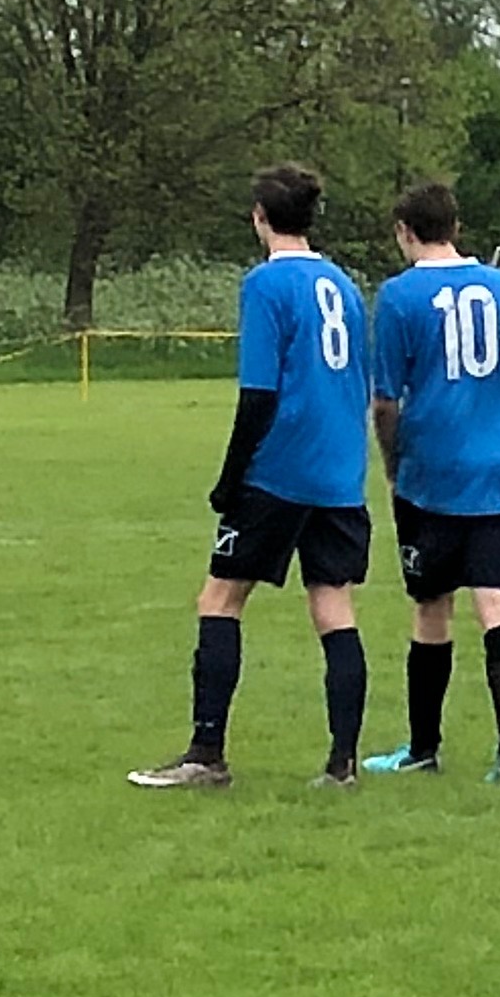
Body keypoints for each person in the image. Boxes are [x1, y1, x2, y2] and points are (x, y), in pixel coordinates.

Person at [129, 163, 377, 791]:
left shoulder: (266, 285)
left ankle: (206, 754)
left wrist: (230, 477)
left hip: (280, 469)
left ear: (260, 219)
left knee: (220, 599)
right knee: (333, 606)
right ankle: (342, 764)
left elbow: (259, 395)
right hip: (339, 473)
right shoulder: (344, 285)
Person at [362, 181, 500, 781]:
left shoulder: (399, 296)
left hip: (432, 472)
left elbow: (385, 402)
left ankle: (423, 749)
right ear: (457, 227)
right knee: (495, 599)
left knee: (430, 606)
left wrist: (394, 466)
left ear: (404, 232)